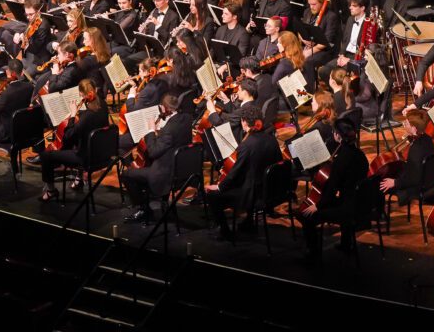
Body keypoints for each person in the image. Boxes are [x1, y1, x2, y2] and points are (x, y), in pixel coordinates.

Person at [204, 104, 282, 240]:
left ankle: (224, 231)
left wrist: (219, 186)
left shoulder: (247, 145)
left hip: (252, 195)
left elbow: (235, 174)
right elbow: (276, 164)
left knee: (212, 195)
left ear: (244, 122)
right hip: (269, 190)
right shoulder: (272, 140)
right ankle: (248, 223)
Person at [299, 117, 369, 263]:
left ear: (337, 135)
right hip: (361, 203)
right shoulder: (361, 155)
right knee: (344, 197)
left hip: (348, 209)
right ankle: (346, 244)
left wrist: (317, 206)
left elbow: (331, 191)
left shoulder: (342, 159)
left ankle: (313, 255)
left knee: (306, 216)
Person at [119, 93, 196, 225]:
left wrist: (150, 131)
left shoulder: (169, 130)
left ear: (166, 108)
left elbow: (153, 152)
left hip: (165, 173)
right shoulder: (187, 118)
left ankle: (144, 209)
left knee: (126, 174)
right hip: (182, 169)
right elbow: (173, 138)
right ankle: (161, 201)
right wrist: (160, 131)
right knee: (143, 168)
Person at [36, 78, 110, 200]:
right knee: (79, 139)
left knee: (46, 155)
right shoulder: (103, 105)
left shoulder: (86, 117)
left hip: (86, 157)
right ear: (95, 90)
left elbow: (67, 136)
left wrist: (72, 115)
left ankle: (51, 190)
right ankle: (79, 178)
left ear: (82, 94)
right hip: (102, 153)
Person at [379, 110, 434, 206]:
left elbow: (413, 179)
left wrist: (395, 182)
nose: (404, 124)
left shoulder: (416, 150)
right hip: (426, 180)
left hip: (416, 186)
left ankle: (378, 212)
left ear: (414, 129)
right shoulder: (427, 139)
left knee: (379, 183)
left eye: (406, 123)